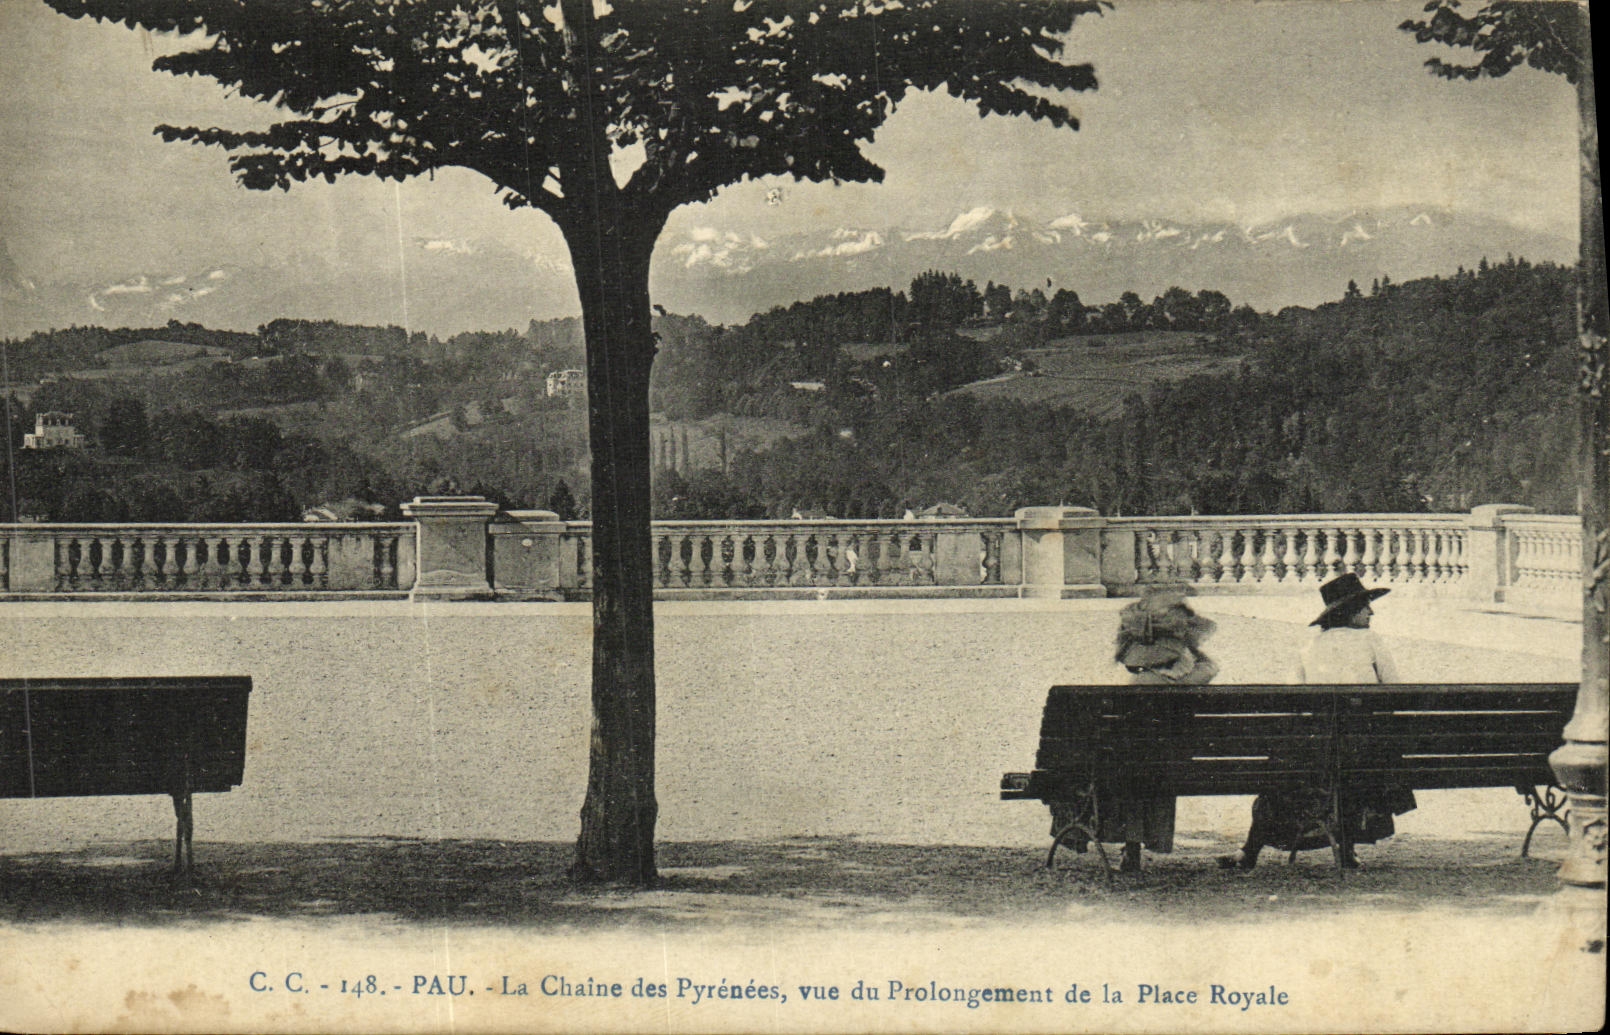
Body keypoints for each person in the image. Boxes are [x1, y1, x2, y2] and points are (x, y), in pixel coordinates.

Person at [1219, 572, 1416, 870]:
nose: (1371, 612)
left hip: (1314, 750)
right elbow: (1396, 690)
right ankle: (1347, 850)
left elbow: (1292, 697)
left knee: (1288, 773)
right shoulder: (1371, 640)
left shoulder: (1309, 647)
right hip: (1361, 750)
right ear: (1349, 611)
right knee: (1357, 766)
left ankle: (1250, 850)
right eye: (1366, 606)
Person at [1052, 587, 1217, 872]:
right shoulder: (1194, 676)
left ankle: (1103, 839)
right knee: (1144, 762)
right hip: (1178, 765)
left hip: (1131, 767)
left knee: (1112, 761)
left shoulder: (1135, 687)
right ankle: (1136, 845)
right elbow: (1208, 666)